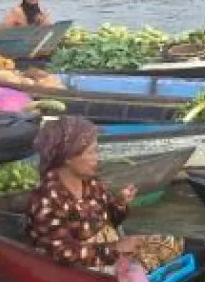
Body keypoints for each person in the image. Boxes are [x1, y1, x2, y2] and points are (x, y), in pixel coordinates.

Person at [25, 116, 183, 272]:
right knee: (139, 269)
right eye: (91, 153)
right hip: (81, 266)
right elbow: (63, 253)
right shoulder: (47, 198)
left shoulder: (91, 183)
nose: (97, 158)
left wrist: (120, 203)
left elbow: (109, 221)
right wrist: (115, 249)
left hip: (108, 252)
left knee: (172, 242)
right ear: (68, 157)